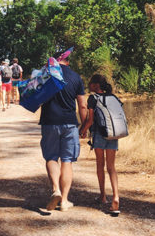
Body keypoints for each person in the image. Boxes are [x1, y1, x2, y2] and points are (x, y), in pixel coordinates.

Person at [38, 56, 87, 213]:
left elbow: (35, 97)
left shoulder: (46, 74)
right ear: (67, 62)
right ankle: (64, 201)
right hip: (70, 123)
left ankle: (55, 190)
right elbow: (83, 105)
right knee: (67, 160)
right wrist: (85, 126)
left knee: (51, 157)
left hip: (49, 122)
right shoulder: (75, 77)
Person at [79, 73, 121, 216]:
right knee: (111, 167)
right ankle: (116, 196)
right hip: (113, 134)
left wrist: (82, 131)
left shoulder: (93, 98)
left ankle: (103, 196)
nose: (89, 85)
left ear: (96, 85)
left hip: (99, 135)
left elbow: (90, 121)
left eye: (91, 83)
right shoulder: (113, 97)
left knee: (100, 166)